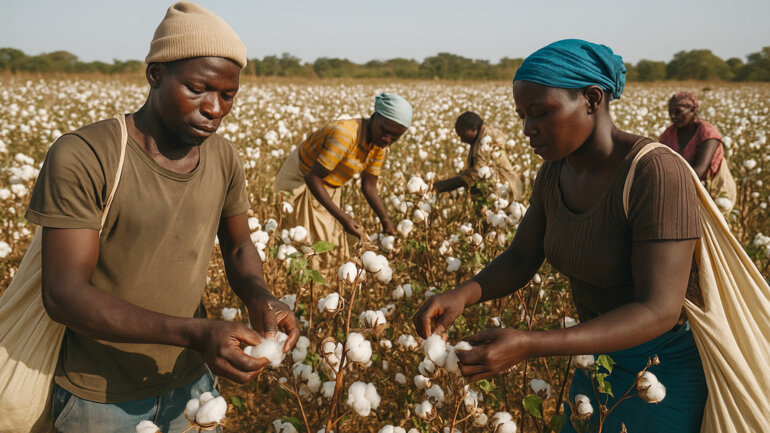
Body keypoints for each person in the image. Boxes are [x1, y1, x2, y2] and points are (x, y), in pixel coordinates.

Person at [24, 3, 299, 432]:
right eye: (198, 89)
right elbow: (64, 294)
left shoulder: (223, 157)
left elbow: (240, 244)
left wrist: (260, 294)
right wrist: (194, 333)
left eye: (228, 95)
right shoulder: (86, 155)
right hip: (101, 395)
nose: (215, 108)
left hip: (192, 384)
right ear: (155, 75)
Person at [413, 39, 707, 432]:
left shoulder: (654, 173)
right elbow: (521, 257)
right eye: (521, 115)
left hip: (662, 368)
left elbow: (658, 310)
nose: (526, 129)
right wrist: (463, 293)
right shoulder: (554, 173)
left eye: (539, 113)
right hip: (594, 357)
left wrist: (531, 344)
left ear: (592, 99)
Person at [275, 94, 412, 272]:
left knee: (331, 245)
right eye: (384, 131)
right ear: (374, 116)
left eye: (394, 138)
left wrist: (385, 220)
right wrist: (343, 217)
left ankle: (323, 285)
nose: (387, 139)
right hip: (302, 179)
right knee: (309, 245)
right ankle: (301, 287)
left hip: (328, 183)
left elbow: (369, 186)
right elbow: (313, 177)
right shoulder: (345, 136)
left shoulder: (378, 146)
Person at [659, 92, 736, 211]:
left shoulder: (707, 133)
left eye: (678, 112)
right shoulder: (668, 134)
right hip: (684, 189)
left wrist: (668, 187)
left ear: (693, 110)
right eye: (671, 112)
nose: (673, 116)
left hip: (714, 192)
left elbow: (700, 170)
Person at [433, 111, 524, 201]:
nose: (461, 140)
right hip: (496, 191)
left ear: (474, 129)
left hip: (505, 191)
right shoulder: (480, 136)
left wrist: (440, 186)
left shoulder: (488, 139)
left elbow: (477, 172)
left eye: (462, 134)